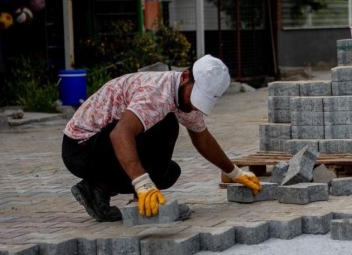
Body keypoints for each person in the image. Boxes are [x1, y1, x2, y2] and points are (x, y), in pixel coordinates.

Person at [61, 54, 261, 222]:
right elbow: (120, 134)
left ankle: (95, 190)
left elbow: (203, 139)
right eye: (195, 96)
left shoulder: (184, 97)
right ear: (185, 76)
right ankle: (141, 201)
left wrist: (234, 172)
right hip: (81, 148)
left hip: (101, 148)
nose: (194, 105)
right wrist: (143, 185)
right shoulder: (157, 93)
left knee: (168, 172)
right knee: (165, 125)